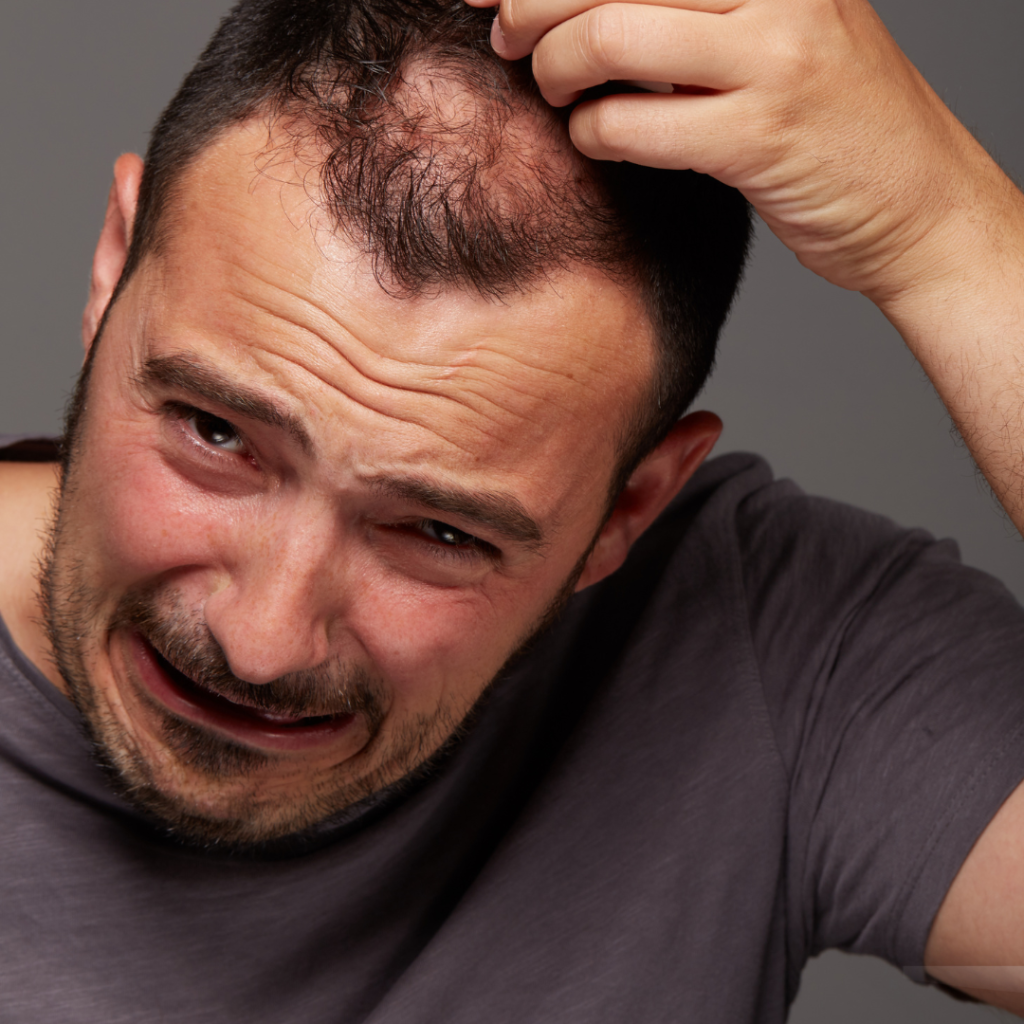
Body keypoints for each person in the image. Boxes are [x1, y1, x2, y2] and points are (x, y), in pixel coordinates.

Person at [0, 0, 1022, 1020]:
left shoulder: (770, 649)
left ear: (630, 509)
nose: (262, 642)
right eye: (216, 434)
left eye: (440, 532)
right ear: (113, 266)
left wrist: (945, 232)